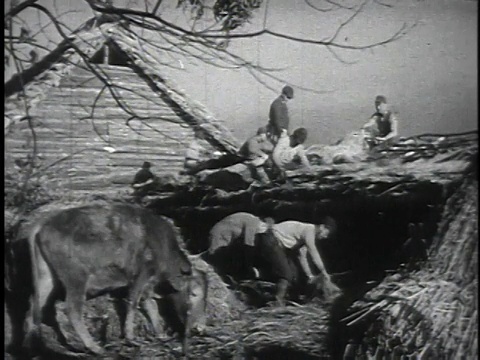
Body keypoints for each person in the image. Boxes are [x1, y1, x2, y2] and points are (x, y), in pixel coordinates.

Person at [256, 217, 341, 305]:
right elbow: (313, 251)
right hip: (271, 239)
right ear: (322, 227)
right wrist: (324, 271)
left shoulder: (306, 236)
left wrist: (310, 276)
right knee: (286, 274)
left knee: (294, 274)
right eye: (327, 233)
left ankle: (291, 298)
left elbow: (302, 257)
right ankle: (278, 300)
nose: (325, 237)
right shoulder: (309, 230)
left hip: (278, 244)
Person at [207, 212, 272, 279]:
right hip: (219, 236)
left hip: (224, 236)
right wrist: (249, 267)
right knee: (215, 262)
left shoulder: (250, 219)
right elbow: (248, 244)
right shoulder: (253, 221)